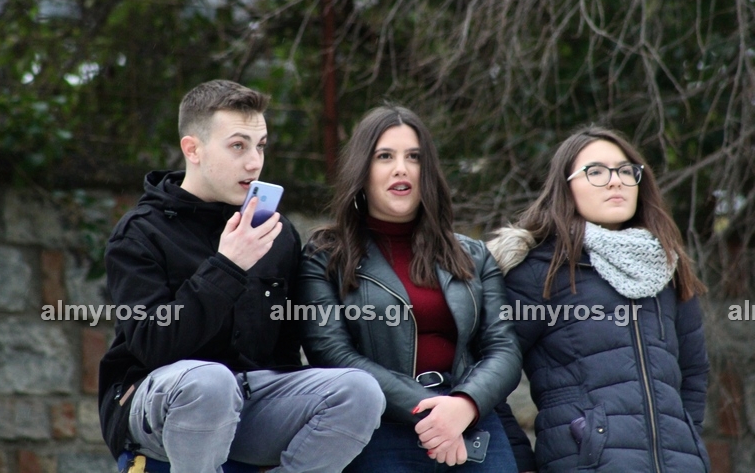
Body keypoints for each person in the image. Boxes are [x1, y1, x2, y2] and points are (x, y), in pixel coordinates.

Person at [97, 79, 385, 473]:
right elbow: (154, 348)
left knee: (360, 392)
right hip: (161, 401)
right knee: (211, 383)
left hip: (250, 398)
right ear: (192, 149)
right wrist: (227, 266)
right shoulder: (140, 233)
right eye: (238, 146)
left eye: (260, 146)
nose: (254, 162)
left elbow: (286, 350)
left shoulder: (275, 233)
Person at [296, 104, 522, 472]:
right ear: (362, 170)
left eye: (414, 157)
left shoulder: (474, 255)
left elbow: (504, 348)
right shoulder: (325, 256)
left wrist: (465, 405)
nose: (401, 168)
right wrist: (431, 412)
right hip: (379, 424)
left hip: (470, 421)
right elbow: (332, 353)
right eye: (385, 156)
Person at [488, 125, 711, 472]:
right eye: (595, 172)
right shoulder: (540, 271)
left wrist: (688, 443)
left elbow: (694, 373)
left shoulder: (667, 268)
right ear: (565, 187)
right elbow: (488, 374)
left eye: (626, 171)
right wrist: (519, 461)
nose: (615, 181)